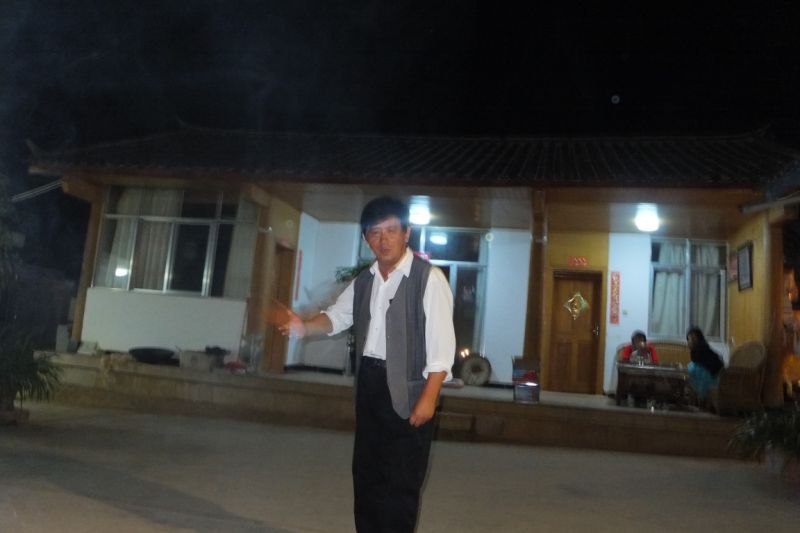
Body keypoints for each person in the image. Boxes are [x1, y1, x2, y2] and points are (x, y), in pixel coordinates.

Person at [274, 196, 455, 532]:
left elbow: (442, 346)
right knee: (367, 474)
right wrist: (303, 327)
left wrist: (429, 398)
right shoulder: (365, 280)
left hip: (409, 390)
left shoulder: (428, 279)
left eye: (391, 230)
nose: (383, 240)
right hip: (370, 385)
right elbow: (337, 317)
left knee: (401, 481)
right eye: (375, 232)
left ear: (407, 233)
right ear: (366, 238)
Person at [686, 326, 724, 405]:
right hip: (707, 374)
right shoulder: (696, 351)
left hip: (711, 377)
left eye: (692, 339)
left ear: (698, 339)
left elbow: (706, 371)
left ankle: (700, 398)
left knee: (692, 370)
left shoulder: (703, 350)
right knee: (691, 368)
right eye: (689, 339)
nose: (689, 341)